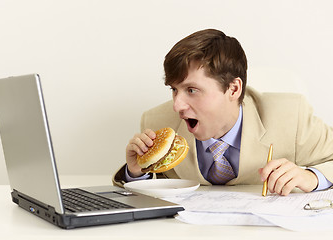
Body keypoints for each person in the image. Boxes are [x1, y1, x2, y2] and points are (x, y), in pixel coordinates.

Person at [112, 29, 333, 196]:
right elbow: (151, 186)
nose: (177, 105)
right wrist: (136, 173)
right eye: (174, 90)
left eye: (191, 90)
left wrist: (311, 177)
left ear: (233, 89)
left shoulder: (291, 115)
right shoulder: (156, 122)